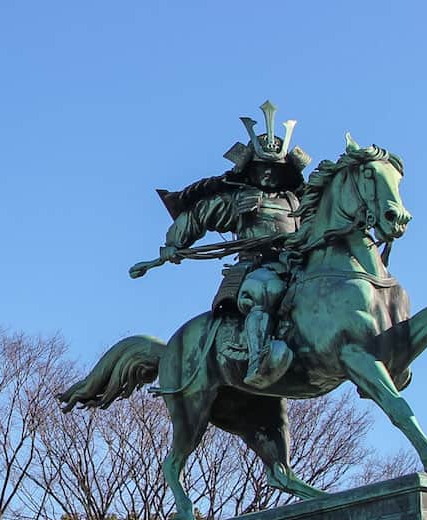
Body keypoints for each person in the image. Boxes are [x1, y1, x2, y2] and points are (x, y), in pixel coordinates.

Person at [131, 101, 311, 388]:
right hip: (256, 268)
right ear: (250, 169)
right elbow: (198, 216)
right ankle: (258, 360)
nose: (267, 174)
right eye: (262, 167)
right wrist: (174, 243)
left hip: (295, 265)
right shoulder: (239, 200)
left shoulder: (297, 202)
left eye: (274, 169)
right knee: (266, 290)